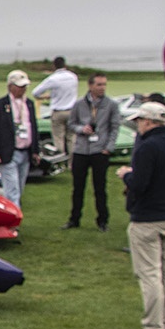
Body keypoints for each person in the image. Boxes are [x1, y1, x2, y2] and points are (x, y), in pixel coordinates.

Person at [117, 101, 165, 329]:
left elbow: (139, 184)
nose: (138, 126)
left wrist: (126, 175)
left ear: (148, 122)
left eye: (140, 121)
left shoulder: (147, 148)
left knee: (149, 273)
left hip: (148, 218)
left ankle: (153, 325)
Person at [66, 74, 120, 229]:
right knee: (78, 187)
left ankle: (102, 220)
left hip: (100, 150)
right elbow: (71, 124)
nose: (102, 88)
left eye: (104, 84)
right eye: (99, 85)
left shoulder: (111, 104)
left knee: (100, 187)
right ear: (90, 86)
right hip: (81, 150)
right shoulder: (79, 104)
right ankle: (74, 219)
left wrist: (108, 147)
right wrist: (81, 129)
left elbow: (115, 127)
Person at [0, 70, 38, 204]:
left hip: (25, 152)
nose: (23, 89)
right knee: (12, 190)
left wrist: (35, 151)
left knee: (19, 188)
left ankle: (12, 212)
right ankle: (14, 216)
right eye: (20, 86)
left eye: (24, 86)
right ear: (10, 86)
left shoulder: (29, 104)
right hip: (9, 152)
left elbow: (33, 127)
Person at [31, 55, 78, 167]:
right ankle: (72, 164)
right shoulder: (73, 77)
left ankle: (60, 163)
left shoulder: (53, 78)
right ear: (65, 64)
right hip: (72, 110)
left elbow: (35, 92)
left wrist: (46, 96)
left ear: (54, 66)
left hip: (58, 111)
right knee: (72, 138)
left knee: (58, 138)